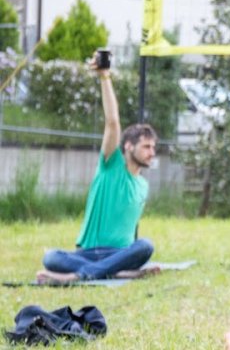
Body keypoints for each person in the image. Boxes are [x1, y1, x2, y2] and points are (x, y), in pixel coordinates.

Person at [37, 51, 158, 284]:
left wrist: (125, 258)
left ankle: (82, 275)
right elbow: (112, 122)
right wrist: (104, 76)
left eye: (153, 147)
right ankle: (111, 272)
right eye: (146, 146)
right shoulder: (111, 166)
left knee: (145, 245)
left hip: (120, 254)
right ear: (128, 146)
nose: (152, 152)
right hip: (88, 252)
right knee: (51, 257)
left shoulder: (143, 185)